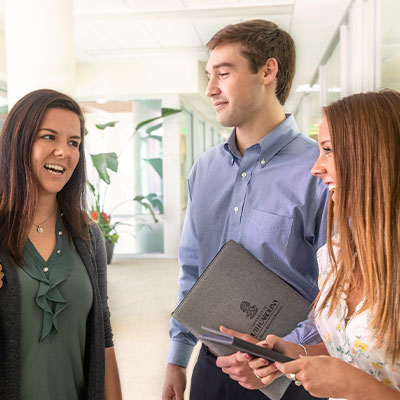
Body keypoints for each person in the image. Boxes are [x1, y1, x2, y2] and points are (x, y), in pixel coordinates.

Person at [162, 19, 328, 400]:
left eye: (223, 73)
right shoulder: (205, 168)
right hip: (211, 363)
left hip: (286, 374)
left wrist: (280, 357)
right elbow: (192, 268)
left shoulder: (318, 170)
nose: (210, 90)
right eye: (209, 75)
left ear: (267, 71)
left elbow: (336, 290)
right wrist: (178, 356)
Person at [241, 90, 400, 400]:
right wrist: (296, 353)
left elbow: (356, 375)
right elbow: (349, 348)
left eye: (328, 150)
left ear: (372, 154)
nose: (316, 168)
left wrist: (355, 386)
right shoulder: (336, 255)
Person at [0, 88, 122, 400]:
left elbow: (102, 334)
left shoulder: (87, 235)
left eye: (74, 143)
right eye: (49, 137)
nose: (63, 152)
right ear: (19, 141)